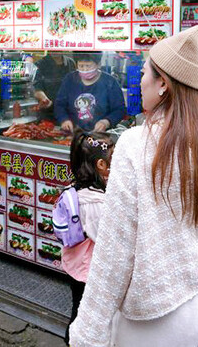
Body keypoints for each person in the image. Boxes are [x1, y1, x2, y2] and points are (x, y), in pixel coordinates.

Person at [69, 23, 198, 347]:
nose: (140, 81)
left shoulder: (135, 144)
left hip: (163, 316)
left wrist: (88, 333)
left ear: (163, 85)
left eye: (145, 72)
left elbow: (116, 251)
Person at [62, 131, 114, 345]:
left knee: (79, 307)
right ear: (101, 165)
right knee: (83, 314)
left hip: (76, 265)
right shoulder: (94, 203)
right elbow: (106, 239)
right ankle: (74, 341)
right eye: (115, 157)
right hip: (87, 271)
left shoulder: (77, 189)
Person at [55, 53, 125, 134]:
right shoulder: (70, 79)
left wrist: (106, 122)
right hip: (73, 133)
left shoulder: (109, 82)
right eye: (81, 66)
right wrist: (64, 119)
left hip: (100, 134)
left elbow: (120, 109)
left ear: (98, 65)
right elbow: (59, 104)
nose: (84, 70)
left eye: (88, 66)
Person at [33, 52, 76, 121]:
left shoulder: (70, 63)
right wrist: (44, 99)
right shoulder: (39, 64)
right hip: (48, 113)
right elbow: (37, 87)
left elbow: (75, 85)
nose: (55, 49)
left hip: (67, 112)